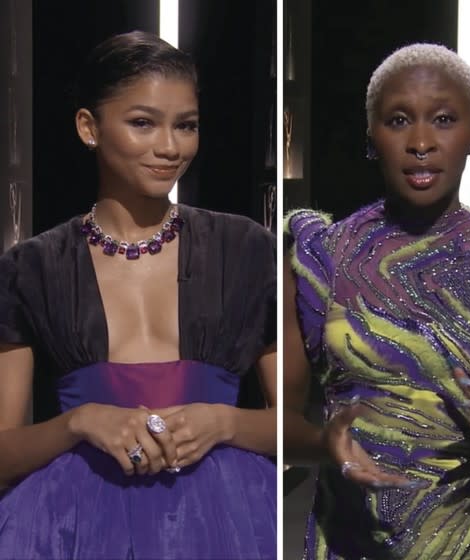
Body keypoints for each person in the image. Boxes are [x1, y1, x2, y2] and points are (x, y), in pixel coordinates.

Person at [0, 31, 277, 559]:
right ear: (89, 128)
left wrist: (226, 422)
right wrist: (79, 423)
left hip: (228, 523)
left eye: (186, 126)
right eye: (143, 123)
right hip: (73, 527)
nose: (170, 147)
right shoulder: (31, 269)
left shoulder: (245, 251)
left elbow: (298, 427)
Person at [284, 43, 470, 559]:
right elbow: (281, 422)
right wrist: (324, 445)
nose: (422, 142)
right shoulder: (324, 259)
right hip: (354, 542)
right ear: (372, 136)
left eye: (444, 119)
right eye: (399, 120)